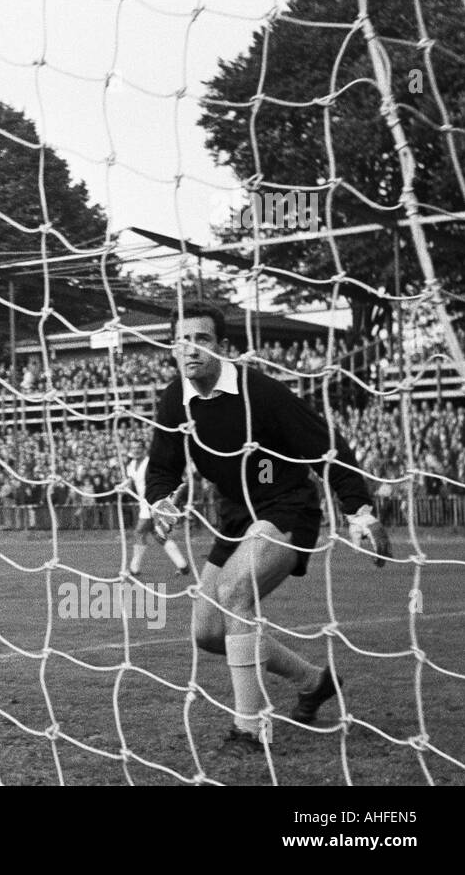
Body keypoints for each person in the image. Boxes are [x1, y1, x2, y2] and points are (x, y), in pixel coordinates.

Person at [145, 303, 391, 754]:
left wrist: (358, 510)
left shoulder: (259, 391)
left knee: (237, 590)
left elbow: (326, 447)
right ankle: (313, 682)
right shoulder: (173, 398)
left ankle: (249, 730)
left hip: (287, 508)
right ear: (173, 348)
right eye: (183, 340)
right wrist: (161, 499)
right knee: (206, 633)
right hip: (236, 517)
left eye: (202, 339)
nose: (192, 348)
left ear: (221, 347)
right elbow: (161, 468)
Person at [125, 442, 189, 577]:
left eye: (138, 448)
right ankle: (182, 565)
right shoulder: (130, 465)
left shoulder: (150, 463)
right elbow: (131, 483)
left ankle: (134, 568)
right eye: (133, 448)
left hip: (154, 500)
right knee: (158, 535)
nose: (136, 451)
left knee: (139, 532)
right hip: (143, 502)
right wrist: (124, 486)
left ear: (144, 449)